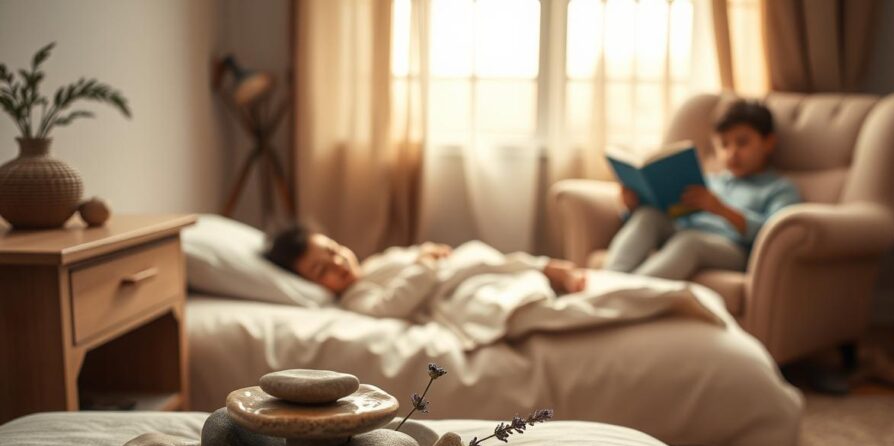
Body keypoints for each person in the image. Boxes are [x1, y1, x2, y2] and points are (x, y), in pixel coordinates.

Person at [604, 100, 802, 281]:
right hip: (684, 230)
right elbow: (676, 214)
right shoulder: (710, 181)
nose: (732, 153)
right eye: (724, 145)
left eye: (742, 143)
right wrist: (633, 206)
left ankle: (628, 294)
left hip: (732, 248)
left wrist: (721, 209)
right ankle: (609, 281)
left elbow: (774, 233)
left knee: (690, 242)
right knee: (648, 215)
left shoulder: (778, 188)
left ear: (768, 142)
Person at [263, 225, 586, 318]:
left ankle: (545, 270)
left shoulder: (375, 262)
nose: (337, 263)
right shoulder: (355, 297)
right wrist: (424, 263)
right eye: (322, 271)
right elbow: (392, 304)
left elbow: (409, 256)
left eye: (333, 251)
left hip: (449, 269)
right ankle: (548, 270)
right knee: (480, 262)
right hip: (444, 287)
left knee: (477, 254)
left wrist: (428, 251)